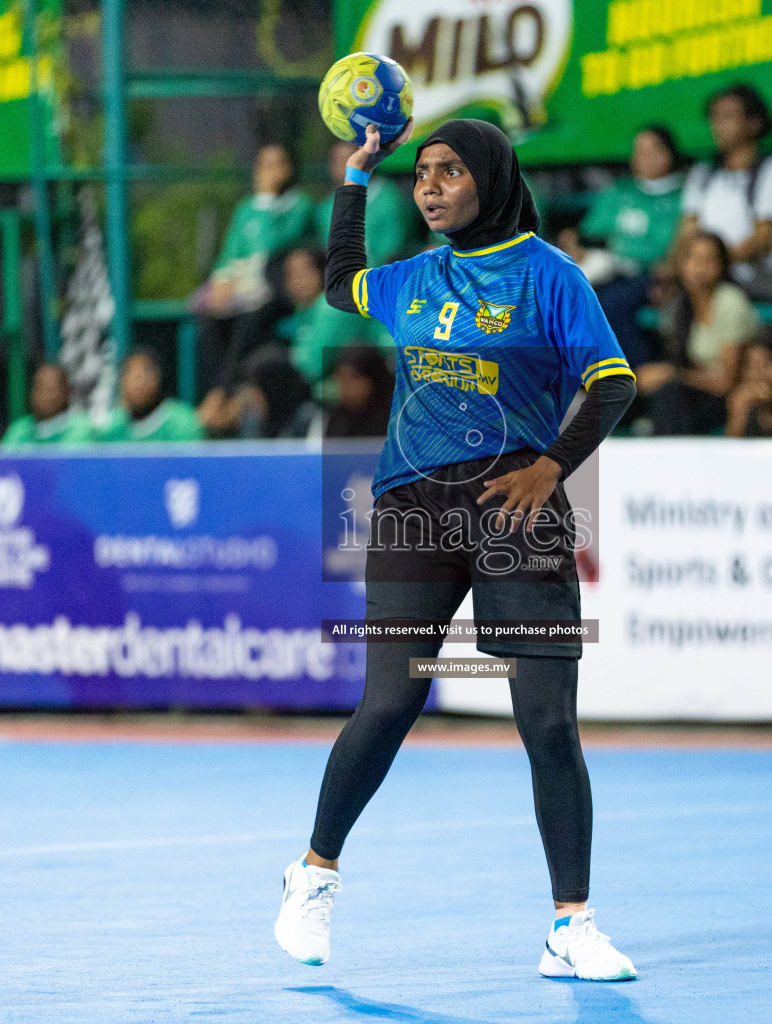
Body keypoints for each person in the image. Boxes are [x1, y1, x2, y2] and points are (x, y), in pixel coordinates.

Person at [273, 118, 640, 982]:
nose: (430, 186)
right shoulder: (409, 280)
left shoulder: (552, 278)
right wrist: (357, 176)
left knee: (547, 721)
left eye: (449, 172)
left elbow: (613, 383)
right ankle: (314, 872)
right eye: (422, 173)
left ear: (492, 178)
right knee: (391, 702)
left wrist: (552, 468)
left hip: (516, 505)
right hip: (412, 509)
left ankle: (570, 925)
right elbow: (337, 284)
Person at [191, 143, 315, 396]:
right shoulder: (246, 209)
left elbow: (274, 247)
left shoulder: (300, 206)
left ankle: (226, 392)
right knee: (209, 317)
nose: (271, 171)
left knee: (249, 322)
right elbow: (229, 254)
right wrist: (221, 281)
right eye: (265, 165)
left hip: (278, 291)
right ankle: (218, 393)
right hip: (243, 287)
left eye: (277, 164)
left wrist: (268, 198)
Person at [562, 126, 686, 366]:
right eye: (639, 152)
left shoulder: (683, 197)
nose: (644, 159)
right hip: (606, 269)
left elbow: (672, 247)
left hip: (649, 274)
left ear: (668, 154)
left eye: (652, 151)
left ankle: (640, 377)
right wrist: (574, 245)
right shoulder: (619, 191)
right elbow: (585, 235)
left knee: (608, 306)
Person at [680, 84, 772, 300]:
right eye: (715, 118)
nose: (719, 125)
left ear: (754, 123)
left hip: (758, 274)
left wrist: (714, 265)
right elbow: (688, 231)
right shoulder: (703, 173)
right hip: (708, 274)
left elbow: (764, 239)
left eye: (728, 117)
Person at [636, 231, 761, 435]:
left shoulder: (730, 302)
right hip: (696, 391)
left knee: (670, 393)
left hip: (731, 398)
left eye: (708, 260)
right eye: (692, 259)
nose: (698, 268)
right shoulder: (678, 306)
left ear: (722, 265)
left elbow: (728, 383)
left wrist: (673, 374)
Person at [274, 246, 390, 390]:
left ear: (322, 270)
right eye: (292, 274)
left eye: (306, 271)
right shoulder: (304, 308)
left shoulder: (330, 308)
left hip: (372, 378)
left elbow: (312, 367)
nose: (299, 280)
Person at [315, 140, 412, 267]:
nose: (343, 164)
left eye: (349, 158)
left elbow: (395, 249)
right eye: (336, 159)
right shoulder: (327, 208)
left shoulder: (388, 197)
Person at [95, 347, 203, 442]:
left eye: (146, 371)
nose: (137, 381)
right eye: (130, 372)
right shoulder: (110, 426)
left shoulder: (181, 422)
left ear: (160, 377)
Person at [1, 363, 94, 445]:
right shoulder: (19, 430)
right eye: (39, 388)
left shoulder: (82, 429)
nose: (44, 395)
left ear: (66, 392)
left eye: (51, 390)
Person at [322, 346, 396, 438]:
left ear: (373, 379)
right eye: (342, 378)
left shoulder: (396, 420)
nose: (346, 385)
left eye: (354, 377)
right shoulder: (336, 418)